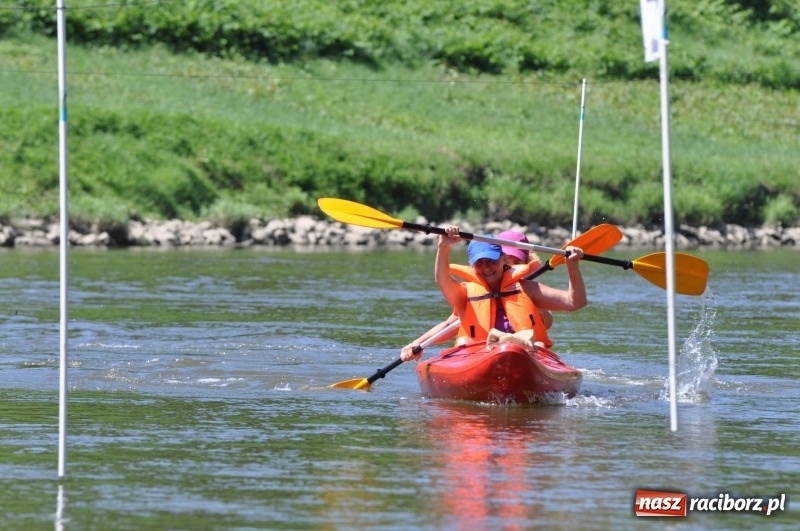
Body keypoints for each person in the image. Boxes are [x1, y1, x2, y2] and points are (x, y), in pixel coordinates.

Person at [401, 227, 587, 361]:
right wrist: (443, 248)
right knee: (464, 340)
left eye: (490, 261)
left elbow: (575, 302)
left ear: (503, 260)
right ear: (472, 265)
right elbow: (442, 281)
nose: (486, 268)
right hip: (479, 356)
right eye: (479, 263)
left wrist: (573, 266)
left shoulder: (527, 288)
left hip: (525, 354)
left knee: (537, 345)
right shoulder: (466, 293)